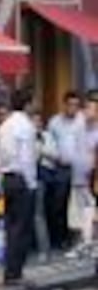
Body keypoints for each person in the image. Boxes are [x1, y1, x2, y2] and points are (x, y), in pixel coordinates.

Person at [0, 89, 38, 285]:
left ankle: (10, 271)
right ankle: (15, 272)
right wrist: (31, 183)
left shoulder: (4, 126)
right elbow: (27, 159)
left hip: (6, 178)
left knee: (11, 226)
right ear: (28, 103)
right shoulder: (26, 127)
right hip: (21, 179)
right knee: (21, 227)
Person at [46, 91, 83, 250]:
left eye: (76, 105)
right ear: (64, 105)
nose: (72, 108)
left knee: (77, 205)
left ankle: (76, 238)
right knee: (59, 204)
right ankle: (59, 238)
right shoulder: (55, 122)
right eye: (70, 105)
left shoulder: (83, 121)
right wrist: (56, 157)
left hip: (79, 169)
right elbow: (48, 143)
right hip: (60, 168)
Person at [66, 91, 98, 258]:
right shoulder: (80, 126)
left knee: (92, 213)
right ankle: (85, 244)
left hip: (93, 180)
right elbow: (71, 147)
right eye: (86, 108)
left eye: (92, 109)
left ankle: (92, 244)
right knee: (79, 215)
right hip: (78, 177)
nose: (88, 112)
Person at [34, 110, 57, 261]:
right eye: (33, 121)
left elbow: (55, 154)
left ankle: (44, 249)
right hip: (27, 178)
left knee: (38, 215)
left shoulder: (46, 136)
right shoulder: (26, 136)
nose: (36, 124)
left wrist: (41, 148)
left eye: (38, 121)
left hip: (41, 178)